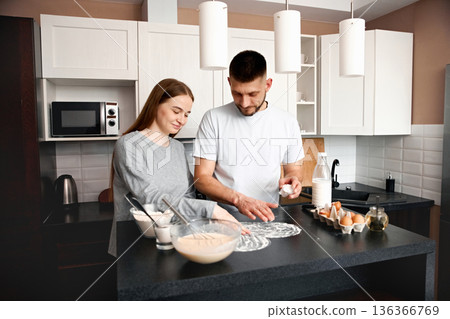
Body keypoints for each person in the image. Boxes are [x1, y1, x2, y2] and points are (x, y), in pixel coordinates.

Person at [108, 78, 245, 257]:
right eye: (176, 111)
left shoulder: (177, 148)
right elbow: (151, 199)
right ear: (156, 105)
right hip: (136, 245)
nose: (182, 120)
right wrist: (210, 209)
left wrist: (234, 200)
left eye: (187, 114)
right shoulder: (129, 145)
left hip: (175, 240)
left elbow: (188, 193)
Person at [193, 50, 305, 223]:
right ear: (229, 82)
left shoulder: (288, 122)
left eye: (252, 94)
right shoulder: (213, 119)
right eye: (237, 93)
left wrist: (294, 180)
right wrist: (239, 200)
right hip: (223, 219)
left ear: (268, 85)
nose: (244, 103)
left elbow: (294, 169)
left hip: (270, 217)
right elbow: (201, 178)